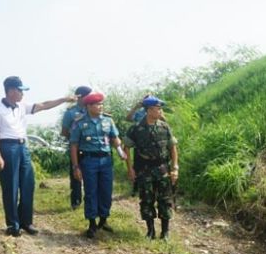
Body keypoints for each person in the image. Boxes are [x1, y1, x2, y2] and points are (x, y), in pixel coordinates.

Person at [0, 76, 76, 237]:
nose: (23, 94)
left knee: (28, 184)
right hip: (8, 147)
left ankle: (26, 222)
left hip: (23, 147)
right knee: (11, 188)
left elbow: (44, 105)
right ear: (11, 91)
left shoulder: (22, 106)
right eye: (21, 90)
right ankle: (13, 225)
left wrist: (64, 99)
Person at [69, 92, 126, 238]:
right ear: (88, 106)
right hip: (89, 161)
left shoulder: (108, 120)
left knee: (106, 191)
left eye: (101, 104)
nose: (100, 107)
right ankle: (92, 223)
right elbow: (74, 145)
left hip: (106, 160)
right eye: (96, 104)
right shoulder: (79, 122)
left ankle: (104, 219)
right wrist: (76, 166)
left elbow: (114, 138)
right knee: (91, 192)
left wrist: (120, 151)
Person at [123, 96, 179, 239]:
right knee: (146, 200)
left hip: (162, 168)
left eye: (160, 109)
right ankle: (150, 231)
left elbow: (172, 148)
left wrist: (175, 168)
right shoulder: (136, 128)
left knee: (165, 199)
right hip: (144, 169)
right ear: (148, 110)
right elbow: (126, 148)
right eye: (157, 109)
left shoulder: (164, 126)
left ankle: (165, 232)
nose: (160, 111)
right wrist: (130, 169)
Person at [61, 86, 93, 210]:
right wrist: (76, 138)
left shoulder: (93, 109)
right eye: (88, 96)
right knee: (76, 175)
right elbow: (64, 132)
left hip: (91, 148)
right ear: (80, 97)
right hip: (77, 148)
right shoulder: (71, 113)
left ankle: (91, 201)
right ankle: (76, 201)